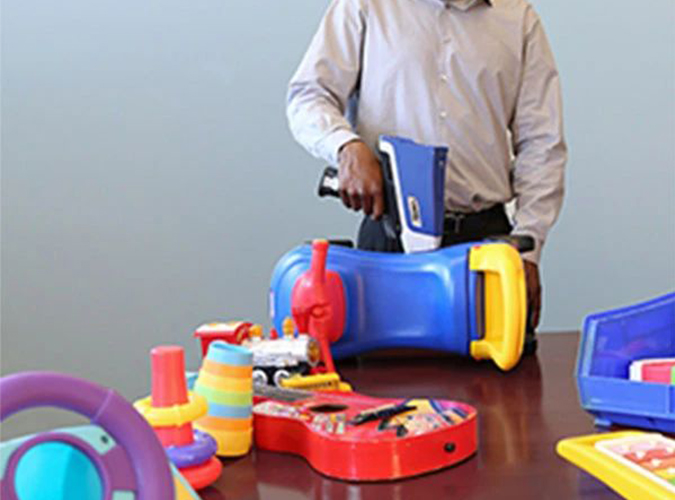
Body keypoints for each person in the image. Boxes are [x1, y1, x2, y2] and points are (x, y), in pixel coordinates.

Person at [286, 0, 566, 350]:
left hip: (485, 249)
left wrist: (529, 247)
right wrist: (346, 147)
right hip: (389, 242)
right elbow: (309, 95)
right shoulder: (367, 6)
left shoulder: (518, 19)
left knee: (497, 382)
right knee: (381, 379)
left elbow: (542, 143)